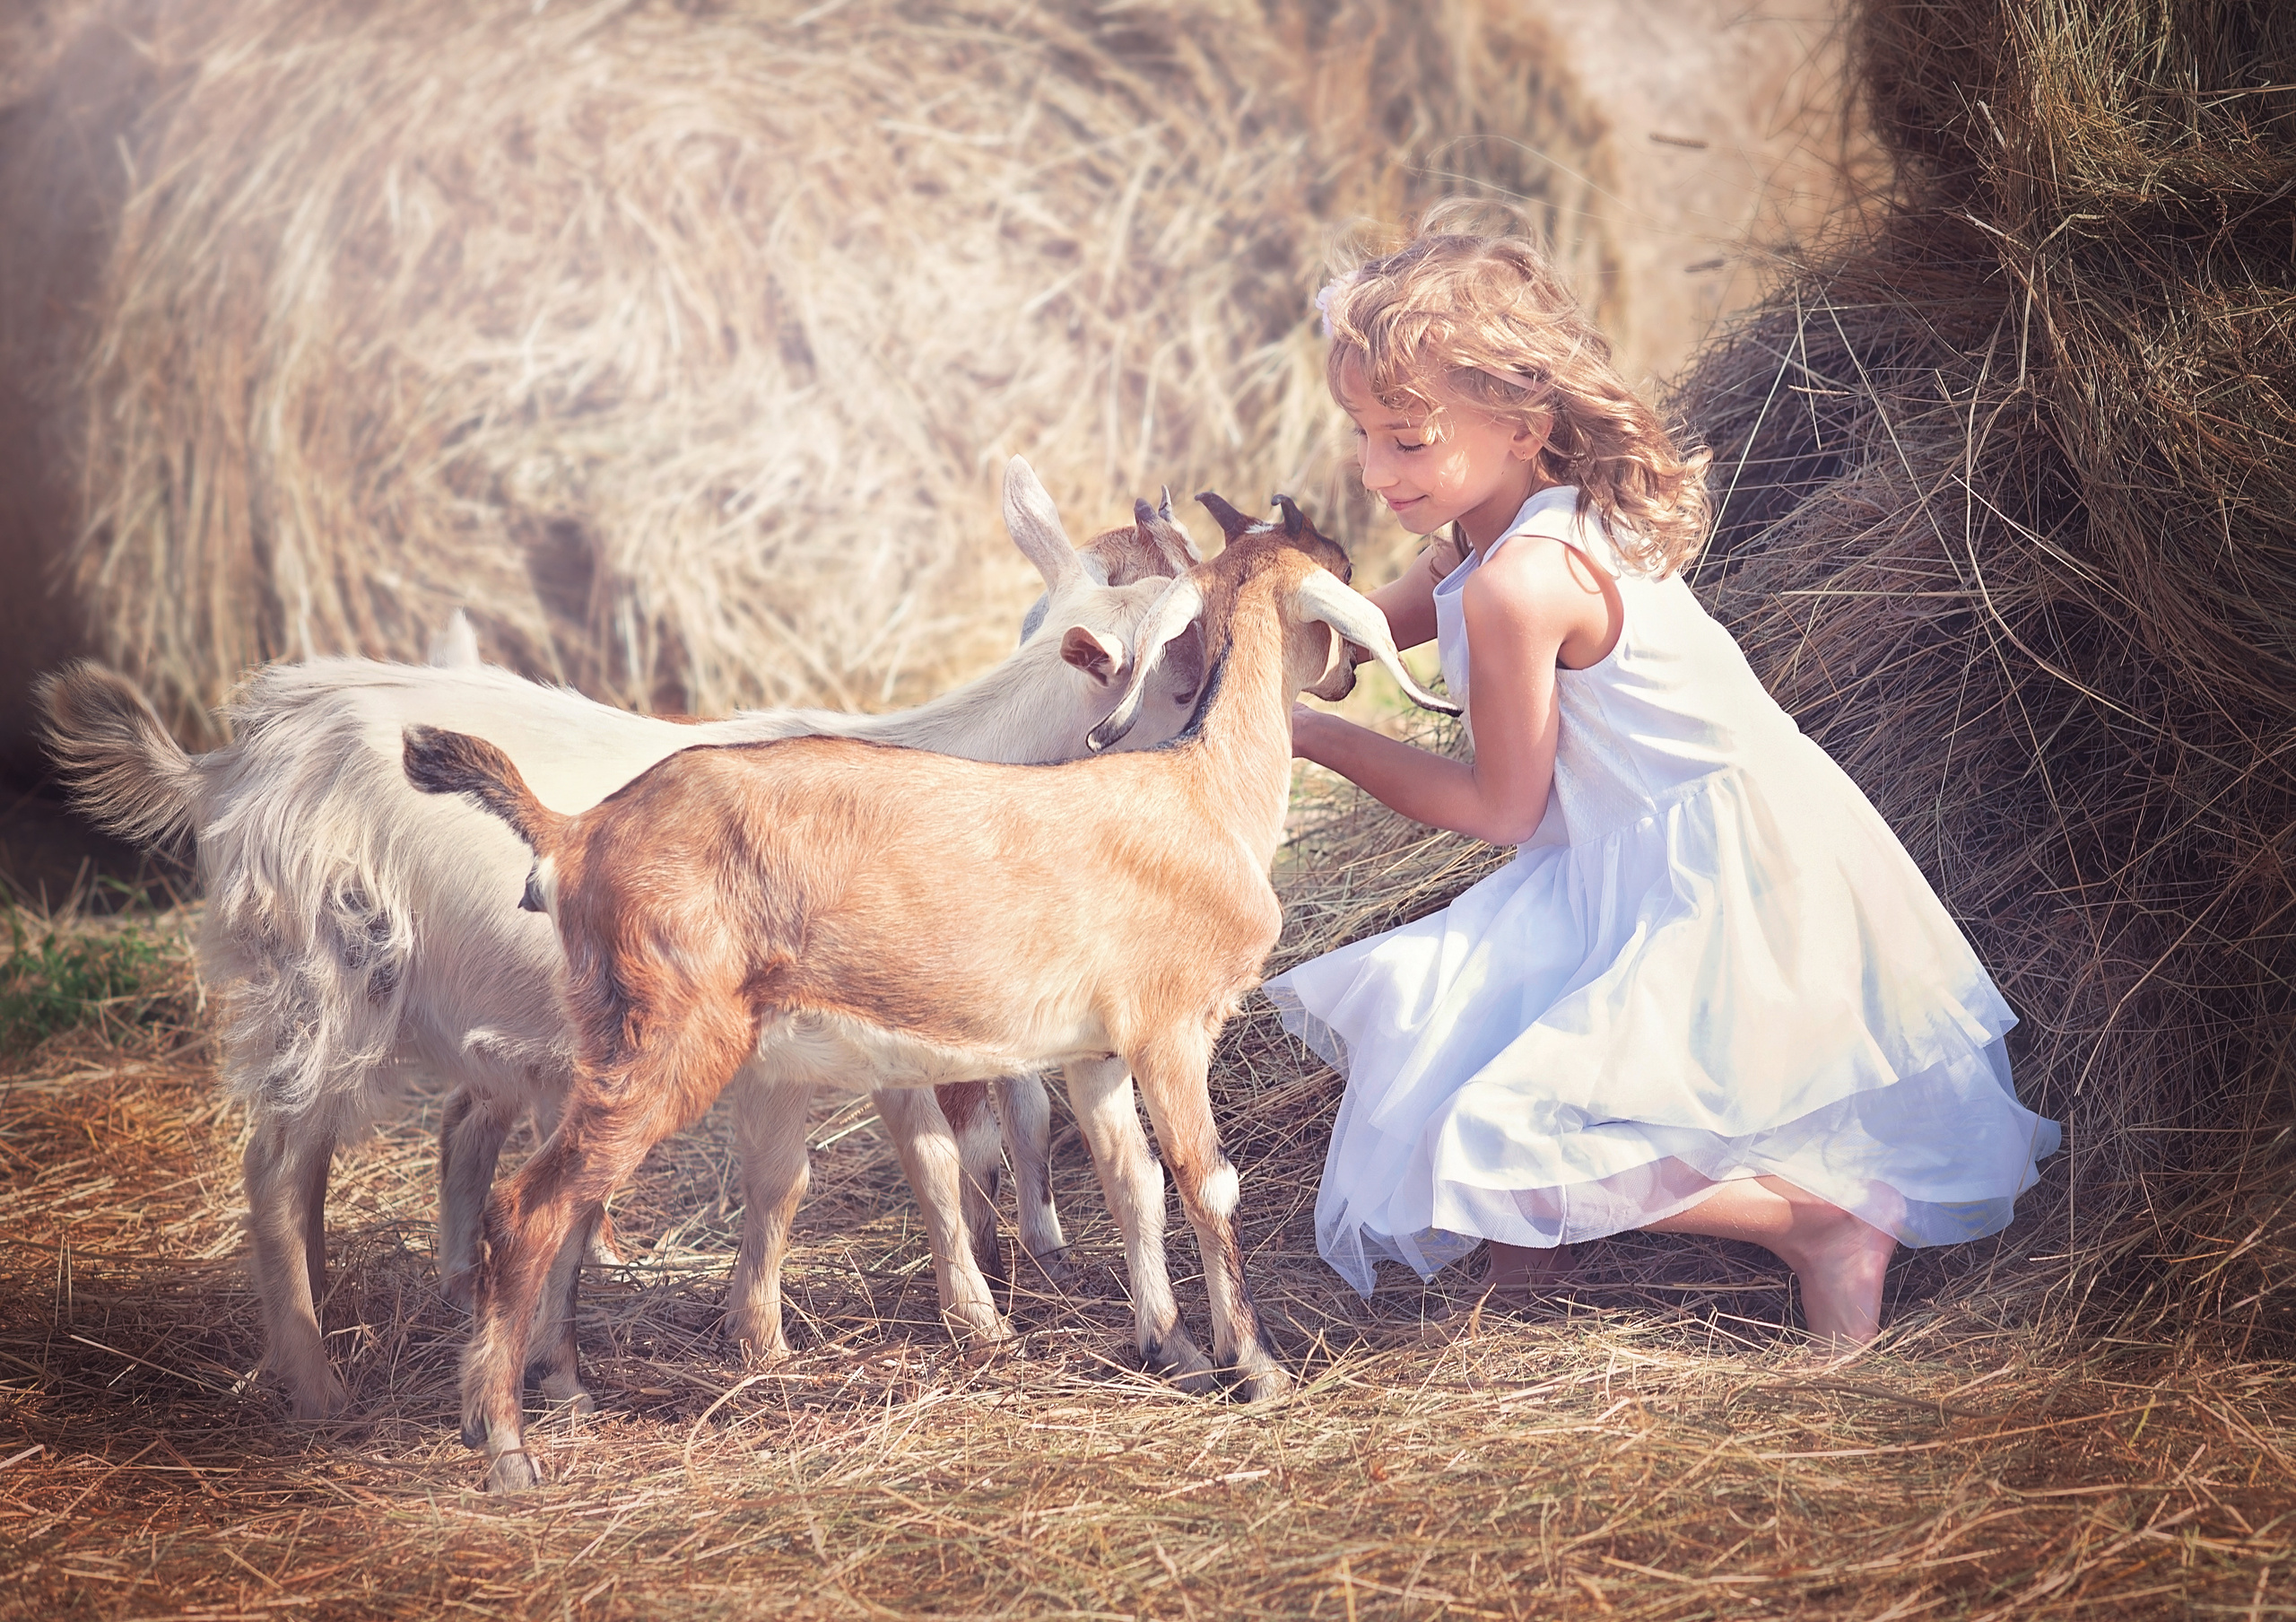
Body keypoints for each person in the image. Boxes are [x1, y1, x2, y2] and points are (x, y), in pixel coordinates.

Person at [1267, 216, 2060, 1347]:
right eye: (1362, 435)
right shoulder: (1491, 528)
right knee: (1442, 1021)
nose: (1372, 469)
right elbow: (1360, 636)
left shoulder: (1522, 583)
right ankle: (1521, 1298)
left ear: (1519, 422)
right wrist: (1272, 632)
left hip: (1717, 878)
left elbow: (1503, 809)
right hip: (1663, 844)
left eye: (1405, 438)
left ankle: (1819, 1223)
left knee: (1493, 1143)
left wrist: (1310, 736)